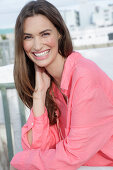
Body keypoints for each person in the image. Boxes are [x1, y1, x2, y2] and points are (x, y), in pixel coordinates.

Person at [10, 0, 113, 170]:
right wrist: (39, 95)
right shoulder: (49, 82)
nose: (37, 45)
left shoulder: (84, 76)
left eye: (44, 34)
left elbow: (71, 156)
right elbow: (39, 148)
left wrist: (20, 161)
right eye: (28, 37)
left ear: (59, 33)